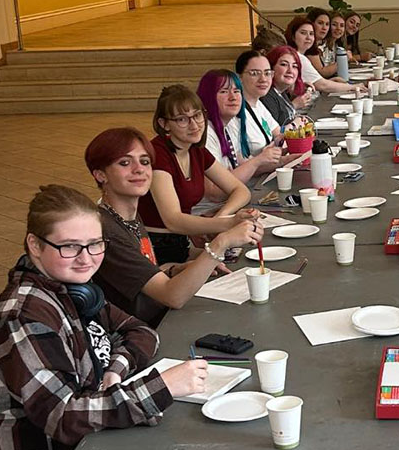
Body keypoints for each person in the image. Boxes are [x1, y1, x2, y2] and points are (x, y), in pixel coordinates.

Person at [0, 184, 210, 450]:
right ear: (34, 245)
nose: (86, 258)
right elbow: (63, 417)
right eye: (69, 246)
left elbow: (140, 331)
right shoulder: (22, 317)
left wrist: (113, 371)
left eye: (95, 244)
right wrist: (161, 386)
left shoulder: (76, 291)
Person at [86, 128, 262, 326]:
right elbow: (172, 297)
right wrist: (221, 243)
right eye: (125, 163)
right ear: (101, 175)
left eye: (145, 161)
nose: (139, 169)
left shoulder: (130, 216)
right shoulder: (106, 231)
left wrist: (174, 270)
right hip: (144, 332)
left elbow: (143, 277)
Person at [138, 85, 255, 263]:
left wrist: (221, 216)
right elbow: (173, 220)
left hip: (180, 241)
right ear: (164, 124)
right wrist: (227, 223)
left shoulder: (195, 150)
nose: (194, 125)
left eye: (197, 115)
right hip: (156, 249)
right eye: (182, 119)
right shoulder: (157, 155)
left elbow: (241, 190)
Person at [198, 67, 286, 190]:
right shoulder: (204, 134)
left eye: (237, 91)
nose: (233, 97)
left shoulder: (230, 126)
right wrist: (258, 160)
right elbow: (215, 191)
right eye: (223, 91)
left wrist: (285, 160)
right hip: (216, 208)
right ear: (207, 97)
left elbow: (245, 166)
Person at [287, 15, 366, 96]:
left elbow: (315, 83)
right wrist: (353, 87)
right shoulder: (297, 57)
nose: (308, 37)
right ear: (293, 36)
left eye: (311, 34)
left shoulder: (300, 56)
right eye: (303, 33)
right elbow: (323, 85)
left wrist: (331, 81)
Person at [262, 44, 316, 126]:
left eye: (294, 66)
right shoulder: (267, 96)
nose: (290, 70)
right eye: (284, 64)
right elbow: (273, 134)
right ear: (271, 68)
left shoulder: (281, 92)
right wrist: (294, 123)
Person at [305, 7, 338, 77]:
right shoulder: (308, 45)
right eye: (320, 23)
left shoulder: (323, 43)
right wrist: (343, 60)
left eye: (327, 24)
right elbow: (323, 73)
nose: (324, 28)